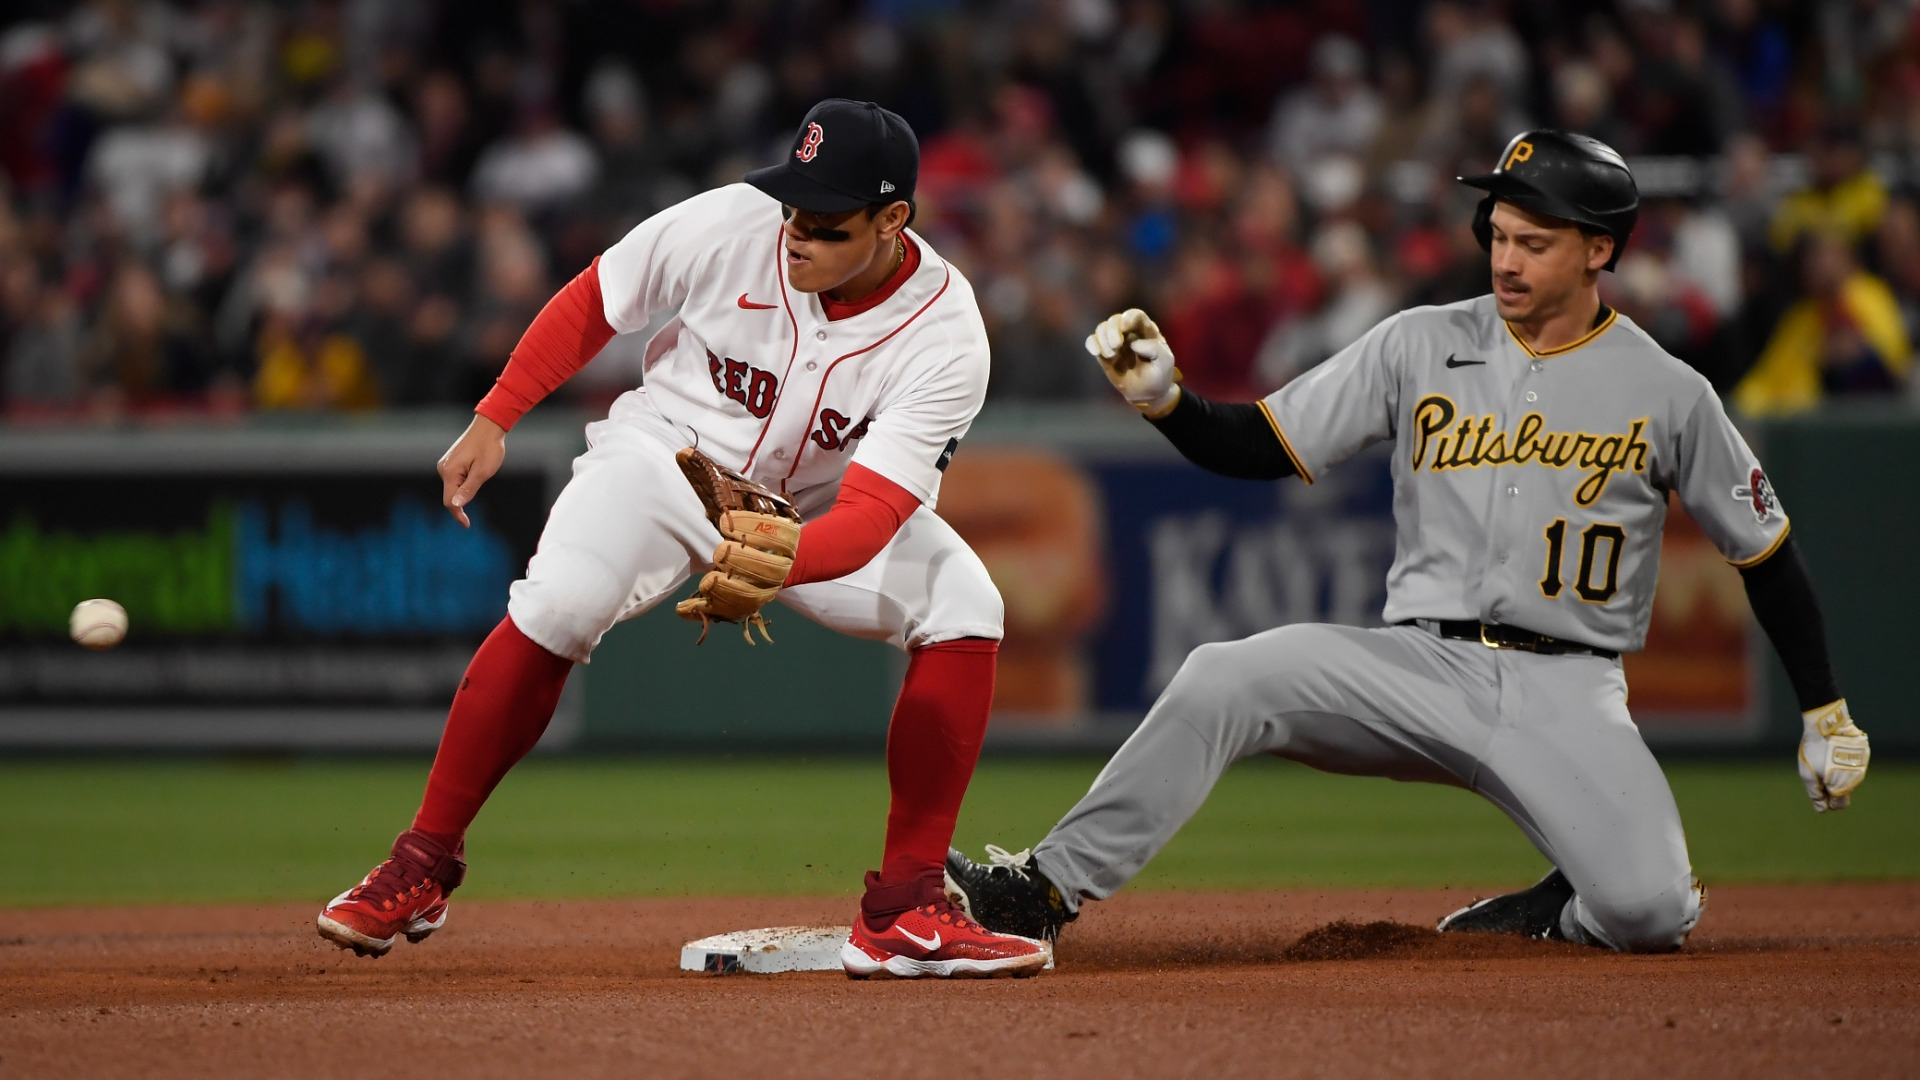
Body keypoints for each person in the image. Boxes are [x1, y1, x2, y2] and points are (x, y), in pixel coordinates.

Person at [945, 131, 1872, 955]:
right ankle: (1042, 889)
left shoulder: (1670, 391)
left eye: (1534, 244)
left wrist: (1823, 710)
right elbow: (1267, 444)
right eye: (1498, 235)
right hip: (1415, 667)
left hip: (1568, 688)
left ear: (1601, 250)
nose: (1506, 261)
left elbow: (1764, 551)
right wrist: (1170, 404)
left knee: (1652, 913)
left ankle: (1564, 908)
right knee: (1224, 675)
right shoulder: (1420, 343)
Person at [317, 100, 1050, 980]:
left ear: (894, 220)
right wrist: (495, 415)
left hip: (812, 510)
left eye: (826, 223)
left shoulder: (944, 331)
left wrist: (789, 558)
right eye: (793, 209)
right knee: (558, 603)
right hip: (668, 459)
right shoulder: (731, 222)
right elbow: (598, 297)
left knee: (967, 606)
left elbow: (875, 512)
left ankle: (903, 908)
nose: (795, 234)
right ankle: (422, 862)